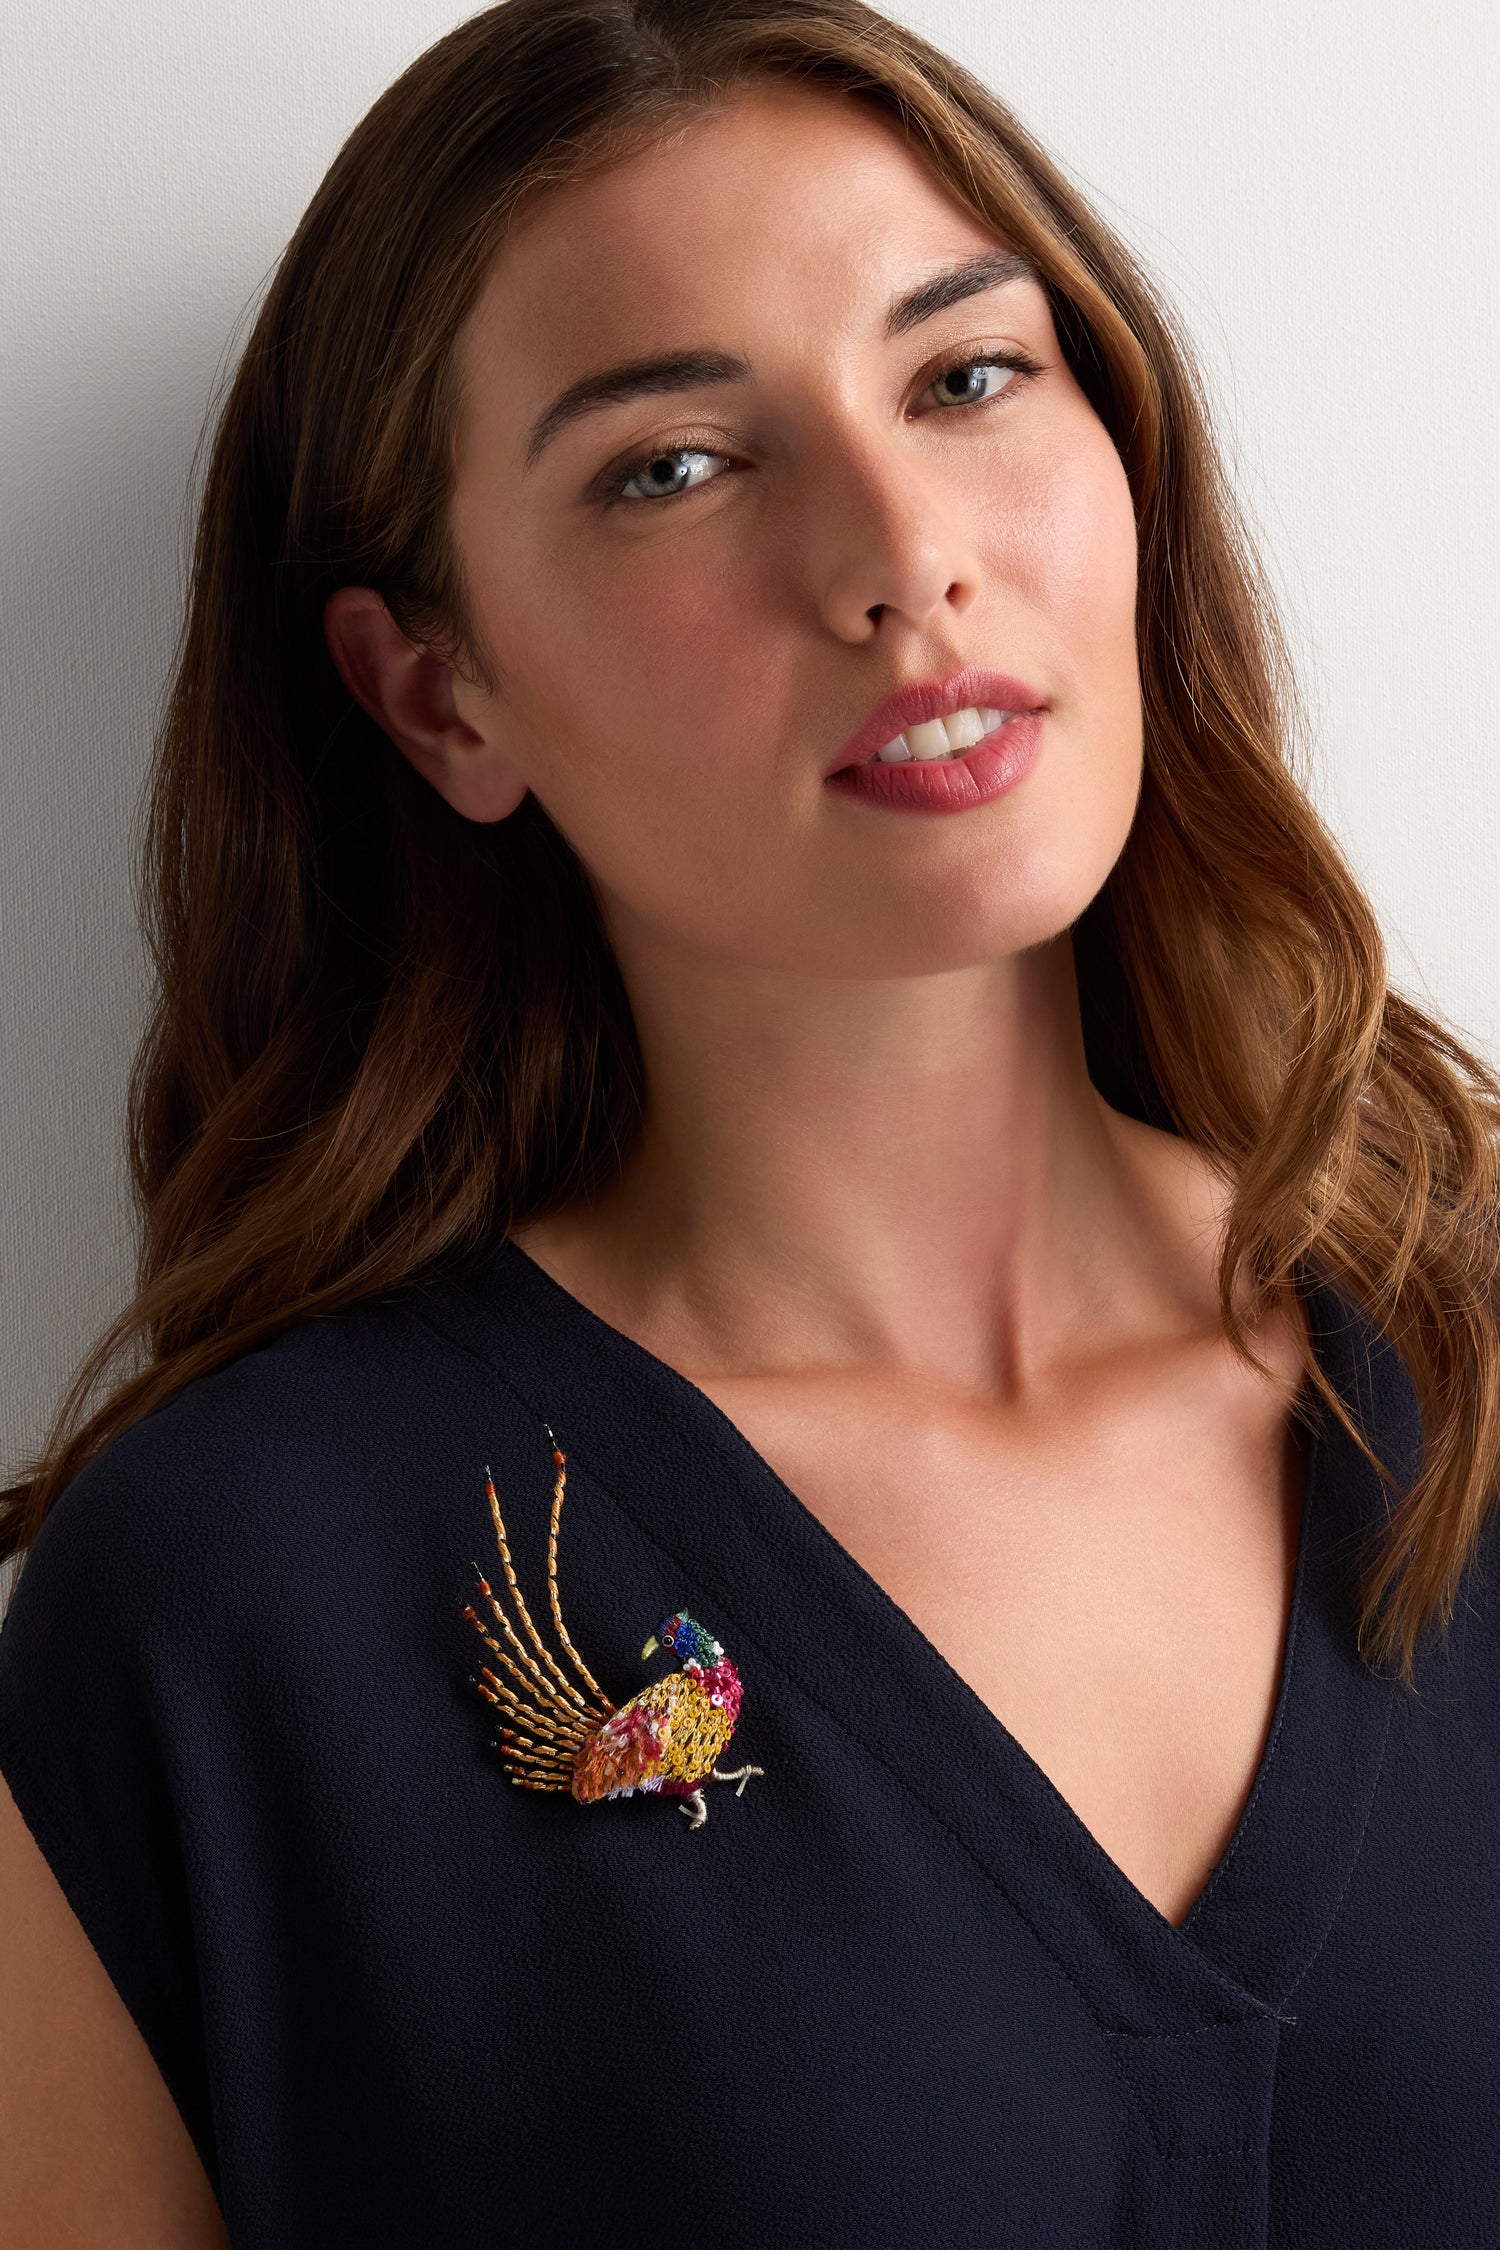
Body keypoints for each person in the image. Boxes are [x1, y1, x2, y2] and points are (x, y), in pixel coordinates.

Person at [2, 1, 1498, 2241]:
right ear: (440, 692)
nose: (903, 555)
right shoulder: (229, 1620)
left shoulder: (1474, 1364)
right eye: (676, 464)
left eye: (969, 375)